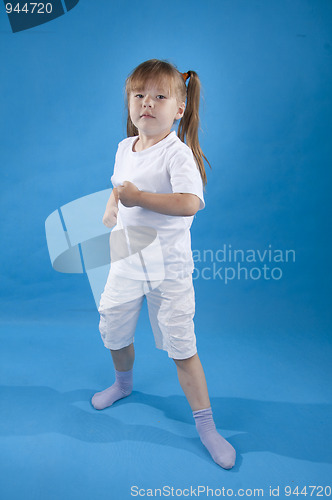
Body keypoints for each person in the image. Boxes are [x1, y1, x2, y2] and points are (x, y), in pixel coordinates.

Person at [92, 59, 236, 470]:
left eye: (159, 96)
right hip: (125, 262)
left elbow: (190, 203)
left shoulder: (178, 154)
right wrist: (113, 203)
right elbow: (120, 186)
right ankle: (123, 384)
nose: (147, 104)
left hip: (169, 271)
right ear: (129, 104)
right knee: (114, 328)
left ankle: (207, 426)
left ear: (179, 109)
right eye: (139, 95)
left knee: (182, 346)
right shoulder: (125, 147)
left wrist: (140, 199)